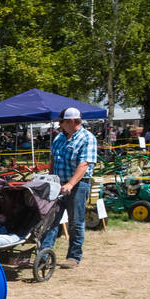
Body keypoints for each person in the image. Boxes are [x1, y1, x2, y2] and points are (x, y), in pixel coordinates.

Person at [40, 106, 97, 269]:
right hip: (57, 185)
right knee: (50, 221)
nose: (60, 125)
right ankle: (44, 254)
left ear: (71, 121)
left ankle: (74, 257)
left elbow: (84, 164)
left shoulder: (87, 138)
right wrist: (50, 180)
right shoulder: (59, 138)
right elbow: (53, 160)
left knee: (75, 222)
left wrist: (70, 184)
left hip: (78, 185)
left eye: (62, 122)